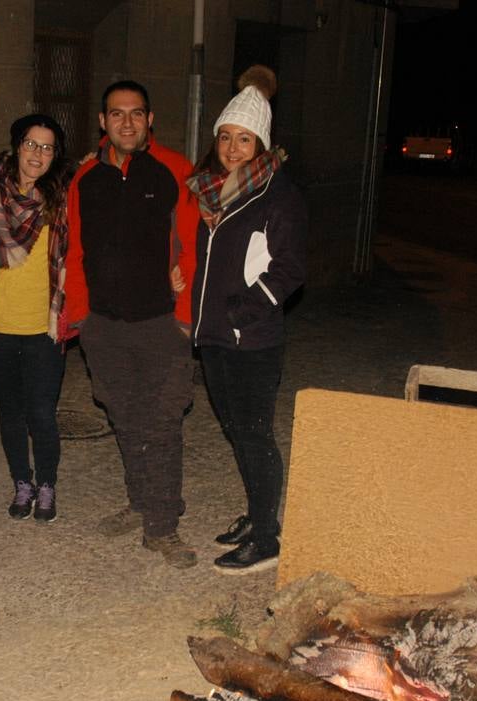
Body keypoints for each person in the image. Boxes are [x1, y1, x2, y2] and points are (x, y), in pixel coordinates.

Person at [65, 80, 201, 568]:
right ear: (103, 122)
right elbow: (75, 249)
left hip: (161, 324)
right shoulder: (85, 178)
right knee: (124, 418)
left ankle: (162, 526)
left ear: (150, 120)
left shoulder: (176, 171)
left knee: (163, 423)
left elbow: (194, 245)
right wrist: (81, 317)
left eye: (136, 113)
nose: (127, 122)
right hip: (104, 326)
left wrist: (184, 320)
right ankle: (141, 501)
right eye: (117, 114)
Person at [185, 66, 306, 574]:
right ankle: (258, 514)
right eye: (226, 137)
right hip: (214, 334)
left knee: (254, 434)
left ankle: (267, 537)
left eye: (244, 139)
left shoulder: (277, 195)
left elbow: (290, 269)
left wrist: (243, 311)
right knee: (236, 429)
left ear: (261, 144)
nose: (233, 148)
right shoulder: (216, 192)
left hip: (250, 339)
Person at [0, 114, 74, 523]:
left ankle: (46, 483)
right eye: (31, 144)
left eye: (47, 148)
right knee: (10, 409)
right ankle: (21, 482)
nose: (37, 154)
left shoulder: (63, 197)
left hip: (44, 326)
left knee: (42, 412)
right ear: (16, 145)